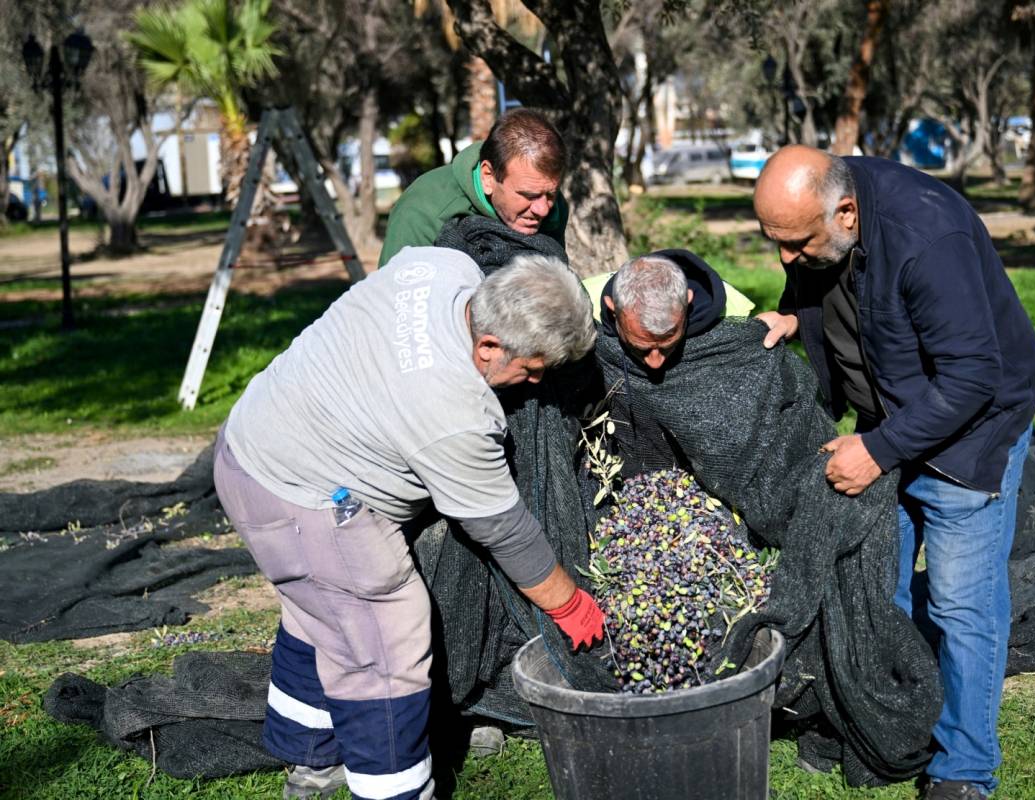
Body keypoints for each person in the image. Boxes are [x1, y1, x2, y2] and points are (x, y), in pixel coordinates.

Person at [213, 247, 605, 800]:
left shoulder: (442, 268)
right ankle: (391, 788)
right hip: (305, 499)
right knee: (383, 638)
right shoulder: (455, 414)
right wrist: (567, 602)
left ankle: (311, 758)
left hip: (251, 442)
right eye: (532, 370)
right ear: (489, 347)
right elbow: (503, 528)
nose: (536, 384)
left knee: (320, 611)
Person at [753, 145, 1035, 799]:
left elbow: (974, 375)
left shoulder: (926, 236)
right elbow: (830, 295)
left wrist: (880, 449)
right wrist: (793, 316)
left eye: (796, 244)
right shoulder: (827, 211)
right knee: (875, 584)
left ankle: (963, 768)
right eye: (774, 243)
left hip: (970, 433)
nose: (784, 260)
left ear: (847, 213)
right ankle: (882, 724)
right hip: (891, 417)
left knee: (961, 602)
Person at [378, 109, 569, 267]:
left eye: (550, 194)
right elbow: (393, 301)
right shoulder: (422, 210)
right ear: (488, 177)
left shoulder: (552, 204)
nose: (542, 209)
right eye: (529, 195)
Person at [597, 249, 745, 371]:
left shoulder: (736, 315)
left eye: (667, 346)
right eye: (641, 348)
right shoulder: (583, 317)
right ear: (613, 310)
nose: (655, 363)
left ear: (687, 302)